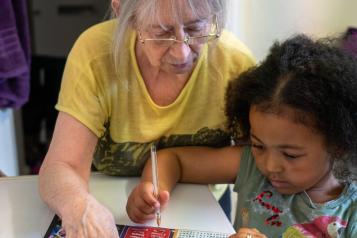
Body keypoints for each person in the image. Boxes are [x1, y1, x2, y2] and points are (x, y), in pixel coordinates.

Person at [38, 0, 255, 237]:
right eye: (161, 32)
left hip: (205, 206)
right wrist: (79, 207)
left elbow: (257, 161)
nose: (181, 52)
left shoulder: (234, 63)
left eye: (195, 28)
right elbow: (60, 166)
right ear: (125, 16)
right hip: (110, 206)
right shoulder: (96, 54)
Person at [126, 35, 357, 238]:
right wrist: (152, 189)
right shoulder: (250, 167)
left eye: (290, 155)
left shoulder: (351, 215)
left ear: (336, 144)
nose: (270, 165)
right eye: (258, 145)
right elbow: (173, 159)